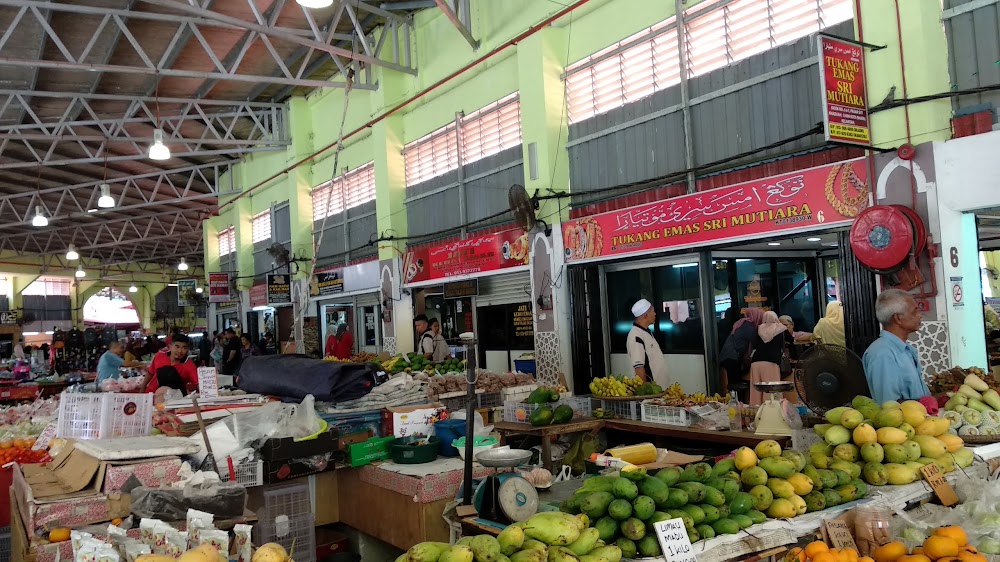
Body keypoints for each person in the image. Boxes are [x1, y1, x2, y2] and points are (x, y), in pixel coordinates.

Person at [862, 289, 930, 404]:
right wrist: (929, 403)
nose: (920, 316)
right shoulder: (882, 354)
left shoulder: (905, 350)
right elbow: (889, 405)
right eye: (914, 312)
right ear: (898, 318)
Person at [749, 311, 792, 406]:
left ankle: (755, 412)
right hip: (770, 362)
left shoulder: (759, 328)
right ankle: (771, 411)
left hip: (756, 362)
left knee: (756, 390)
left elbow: (754, 343)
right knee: (772, 390)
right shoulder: (781, 328)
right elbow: (791, 340)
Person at [719, 308, 765, 394]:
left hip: (728, 356)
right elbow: (756, 342)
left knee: (734, 381)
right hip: (732, 357)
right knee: (735, 383)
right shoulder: (748, 326)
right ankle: (738, 403)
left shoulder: (742, 323)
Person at [626, 299, 669, 387]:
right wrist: (645, 392)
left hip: (659, 390)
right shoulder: (636, 336)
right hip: (651, 393)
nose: (655, 314)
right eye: (653, 311)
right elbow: (639, 367)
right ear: (646, 316)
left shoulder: (646, 332)